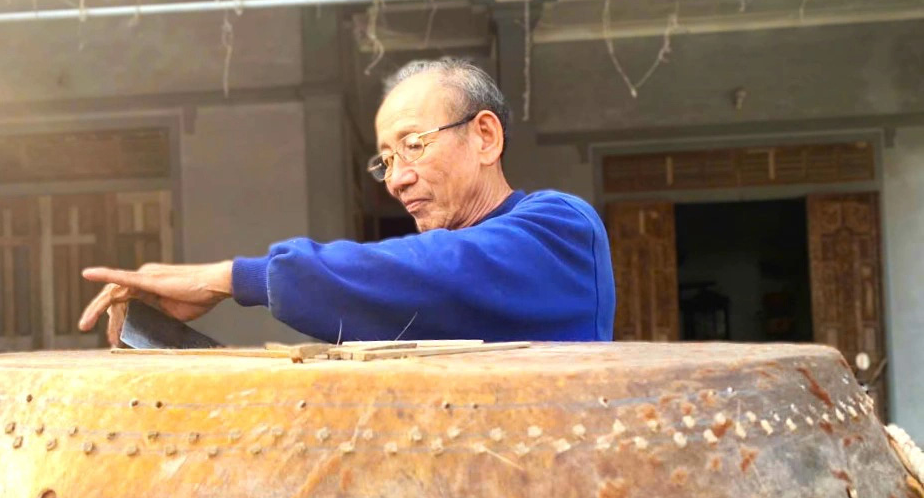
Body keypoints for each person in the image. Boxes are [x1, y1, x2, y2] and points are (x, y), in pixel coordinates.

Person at [79, 58, 615, 344]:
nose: (396, 179)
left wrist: (231, 278)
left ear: (485, 137)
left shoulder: (563, 228)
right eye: (385, 159)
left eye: (413, 145)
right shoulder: (420, 279)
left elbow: (440, 270)